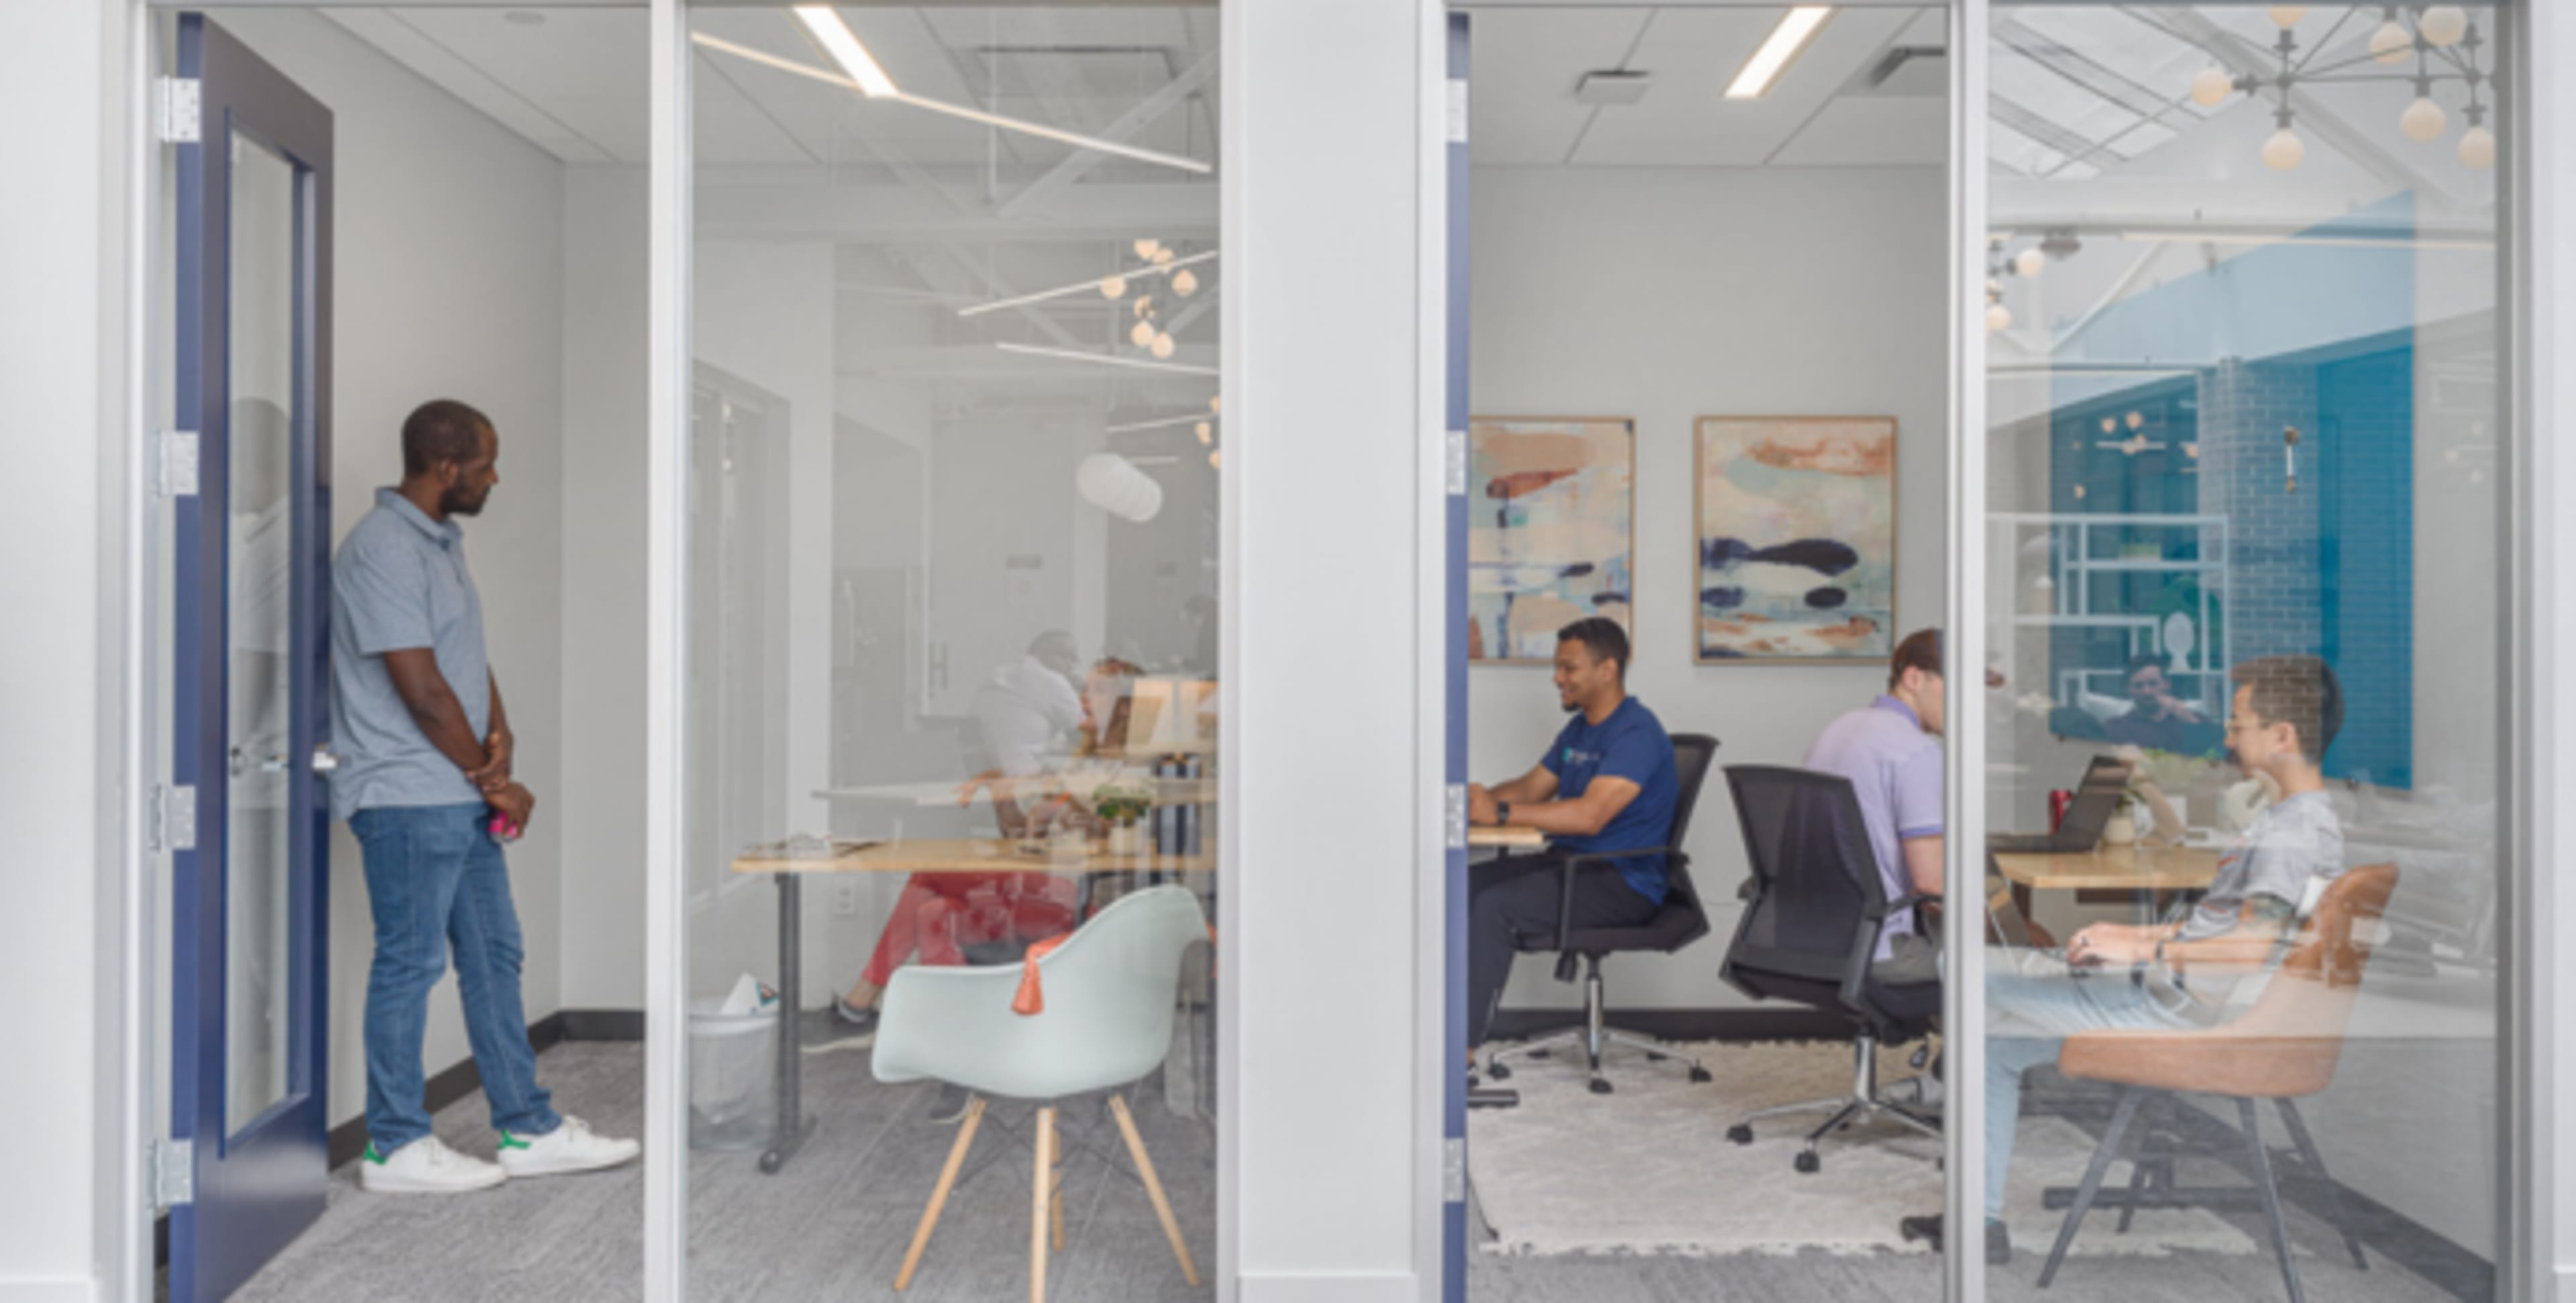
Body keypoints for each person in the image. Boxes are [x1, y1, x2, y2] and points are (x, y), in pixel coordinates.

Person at [1901, 654, 2347, 1265]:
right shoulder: (2294, 821)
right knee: (1992, 1048)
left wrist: (2142, 946)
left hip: (2177, 1009)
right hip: (2173, 990)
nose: (2227, 735)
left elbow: (2252, 946)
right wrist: (2132, 942)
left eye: (2239, 723)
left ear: (2283, 735)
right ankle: (1979, 1224)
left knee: (1960, 965)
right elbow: (2235, 933)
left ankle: (1937, 1100)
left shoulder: (2292, 834)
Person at [334, 400, 639, 1194]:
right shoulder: (382, 549)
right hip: (407, 795)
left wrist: (499, 737)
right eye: (486, 463)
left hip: (454, 792)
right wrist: (495, 778)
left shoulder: (439, 544)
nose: (494, 476)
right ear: (446, 467)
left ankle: (528, 1129)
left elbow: (465, 662)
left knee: (494, 955)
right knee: (409, 962)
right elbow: (422, 689)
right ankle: (394, 1147)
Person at [1462, 618, 1679, 1055]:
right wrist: (1474, 800)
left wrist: (1499, 812)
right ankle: (1429, 1023)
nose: (1557, 678)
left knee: (1492, 907)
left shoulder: (1637, 733)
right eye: (1557, 668)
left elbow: (1590, 816)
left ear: (1607, 670)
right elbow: (1529, 789)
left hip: (1622, 881)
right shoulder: (1581, 729)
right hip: (1574, 865)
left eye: (1569, 668)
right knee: (1460, 886)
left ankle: (1460, 1050)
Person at [1804, 628, 1949, 985]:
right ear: (1915, 679)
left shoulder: (1840, 729)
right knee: (2029, 946)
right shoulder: (1916, 751)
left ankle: (1947, 1040)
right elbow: (1932, 884)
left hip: (1816, 935)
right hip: (1881, 949)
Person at [2104, 652, 2214, 753]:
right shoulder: (2116, 728)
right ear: (2128, 689)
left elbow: (2220, 756)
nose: (2147, 692)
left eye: (2153, 684)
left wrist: (2188, 717)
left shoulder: (2193, 720)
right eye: (2139, 685)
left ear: (2167, 684)